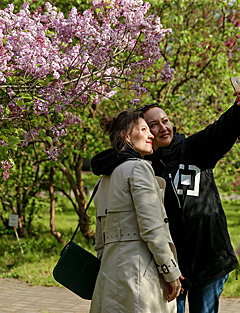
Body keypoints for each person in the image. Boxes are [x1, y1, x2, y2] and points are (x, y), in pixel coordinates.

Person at [135, 85, 240, 313]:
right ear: (143, 131)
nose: (163, 127)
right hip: (170, 268)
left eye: (165, 120)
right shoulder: (140, 168)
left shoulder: (194, 149)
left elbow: (224, 129)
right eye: (153, 124)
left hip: (208, 260)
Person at [89, 110, 182, 313]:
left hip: (109, 273)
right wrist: (171, 272)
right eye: (144, 129)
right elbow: (153, 228)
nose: (151, 135)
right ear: (126, 136)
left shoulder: (103, 178)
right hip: (140, 273)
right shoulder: (139, 168)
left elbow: (100, 240)